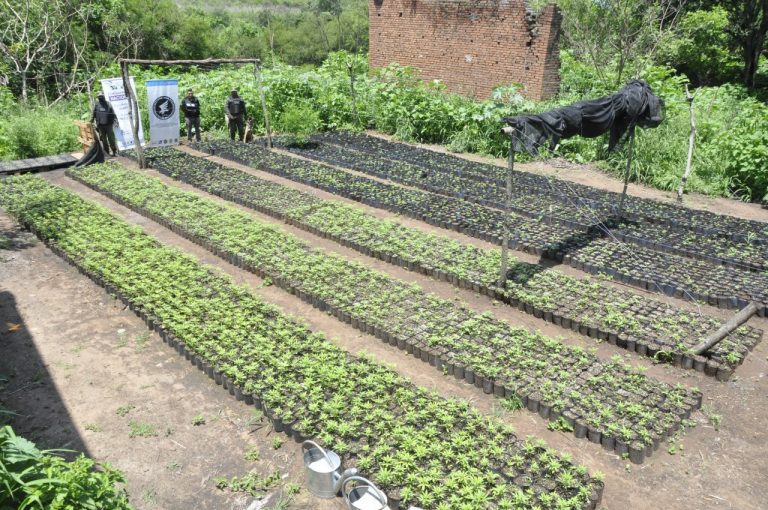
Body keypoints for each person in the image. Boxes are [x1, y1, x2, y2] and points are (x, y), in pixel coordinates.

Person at [91, 92, 118, 156]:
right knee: (104, 140)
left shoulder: (108, 104)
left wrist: (116, 121)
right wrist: (90, 121)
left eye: (101, 96)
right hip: (100, 126)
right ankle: (107, 152)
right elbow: (93, 114)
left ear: (104, 97)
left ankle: (114, 151)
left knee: (111, 139)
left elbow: (113, 113)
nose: (100, 98)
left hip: (109, 125)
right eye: (99, 97)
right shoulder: (96, 105)